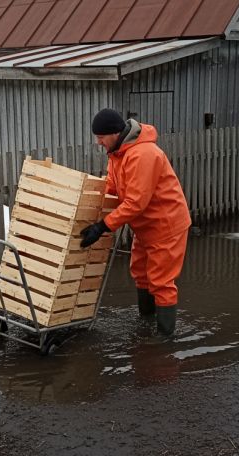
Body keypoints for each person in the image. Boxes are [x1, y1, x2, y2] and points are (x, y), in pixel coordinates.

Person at [80, 109, 191, 336]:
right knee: (140, 274)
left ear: (114, 133)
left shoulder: (143, 154)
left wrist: (102, 226)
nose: (98, 142)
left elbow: (136, 202)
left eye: (101, 137)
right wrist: (85, 198)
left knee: (161, 282)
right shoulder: (116, 153)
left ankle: (164, 339)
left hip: (166, 225)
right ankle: (147, 322)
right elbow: (112, 187)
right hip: (144, 226)